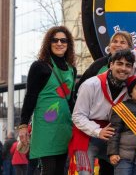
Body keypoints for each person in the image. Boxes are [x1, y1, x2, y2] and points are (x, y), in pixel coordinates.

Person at [19, 26, 76, 175]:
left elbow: (71, 100)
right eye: (54, 40)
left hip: (65, 125)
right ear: (48, 43)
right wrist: (23, 125)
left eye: (63, 40)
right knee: (48, 169)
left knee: (60, 169)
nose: (59, 43)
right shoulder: (39, 66)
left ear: (68, 44)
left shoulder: (72, 69)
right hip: (46, 126)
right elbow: (30, 97)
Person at [76, 31, 133, 175]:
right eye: (119, 64)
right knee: (85, 172)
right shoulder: (91, 84)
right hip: (87, 135)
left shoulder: (132, 87)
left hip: (114, 137)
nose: (123, 68)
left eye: (127, 65)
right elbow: (78, 116)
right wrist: (98, 131)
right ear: (111, 64)